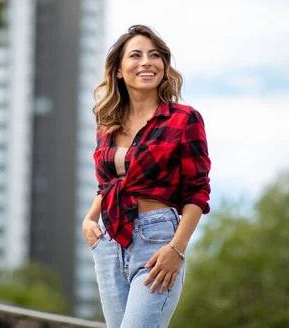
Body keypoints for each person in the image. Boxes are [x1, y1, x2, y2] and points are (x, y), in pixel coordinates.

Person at [82, 24, 211, 328]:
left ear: (164, 66)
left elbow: (198, 192)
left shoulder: (184, 119)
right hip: (109, 240)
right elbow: (107, 186)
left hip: (158, 241)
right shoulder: (108, 124)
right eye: (135, 55)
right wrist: (89, 220)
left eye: (154, 55)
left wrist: (176, 249)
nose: (146, 62)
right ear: (118, 69)